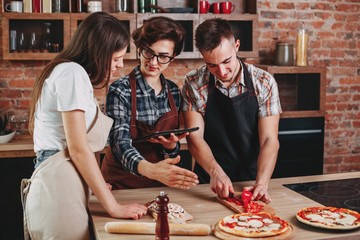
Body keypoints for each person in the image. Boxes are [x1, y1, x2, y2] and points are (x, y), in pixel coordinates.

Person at [23, 12, 147, 240]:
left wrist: (95, 186)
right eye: (116, 57)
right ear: (99, 52)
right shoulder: (72, 73)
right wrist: (114, 206)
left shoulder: (69, 72)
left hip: (64, 181)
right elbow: (78, 149)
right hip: (58, 184)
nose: (120, 65)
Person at [182, 18, 282, 203]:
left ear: (236, 46)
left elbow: (269, 139)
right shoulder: (194, 82)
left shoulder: (264, 82)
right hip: (209, 180)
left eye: (226, 61)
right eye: (211, 65)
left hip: (253, 177)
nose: (221, 71)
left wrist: (261, 183)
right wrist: (215, 172)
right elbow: (194, 137)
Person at [101, 16, 199, 190]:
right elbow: (119, 144)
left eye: (163, 57)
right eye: (148, 52)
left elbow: (170, 153)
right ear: (140, 49)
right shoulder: (120, 90)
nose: (153, 62)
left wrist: (170, 146)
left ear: (173, 57)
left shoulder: (174, 92)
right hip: (121, 184)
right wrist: (152, 170)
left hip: (159, 185)